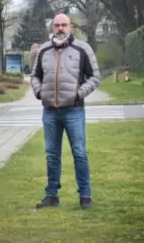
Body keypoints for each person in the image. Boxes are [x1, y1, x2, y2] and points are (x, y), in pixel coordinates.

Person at [30, 13, 101, 210]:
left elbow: (95, 77)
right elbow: (35, 76)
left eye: (64, 25)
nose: (60, 28)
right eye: (57, 25)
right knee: (52, 154)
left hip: (74, 111)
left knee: (79, 153)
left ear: (71, 27)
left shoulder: (82, 48)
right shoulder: (44, 50)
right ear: (52, 28)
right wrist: (39, 92)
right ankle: (51, 196)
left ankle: (85, 196)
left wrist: (78, 94)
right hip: (50, 111)